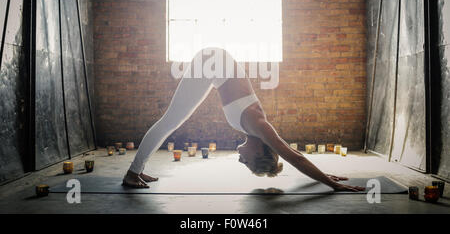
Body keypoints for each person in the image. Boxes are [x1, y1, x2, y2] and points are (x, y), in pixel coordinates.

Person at [122, 48, 365, 192]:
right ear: (260, 151)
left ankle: (138, 171)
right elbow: (294, 157)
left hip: (213, 65)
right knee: (171, 121)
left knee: (171, 122)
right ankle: (133, 173)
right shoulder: (259, 127)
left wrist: (324, 177)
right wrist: (331, 183)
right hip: (212, 62)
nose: (241, 160)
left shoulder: (252, 128)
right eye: (247, 162)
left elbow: (293, 160)